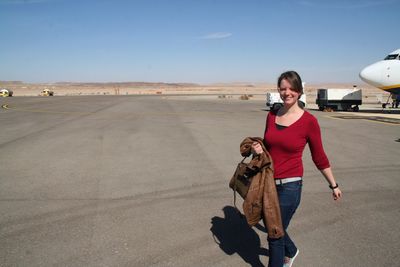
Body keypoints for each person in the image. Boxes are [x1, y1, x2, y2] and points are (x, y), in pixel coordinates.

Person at [251, 71, 342, 267]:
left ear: (299, 91)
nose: (287, 93)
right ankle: (291, 251)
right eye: (283, 89)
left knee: (274, 234)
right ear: (278, 91)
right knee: (273, 226)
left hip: (290, 187)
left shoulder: (309, 121)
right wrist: (258, 148)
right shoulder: (272, 115)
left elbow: (319, 157)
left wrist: (333, 185)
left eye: (291, 89)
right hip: (268, 182)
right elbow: (269, 146)